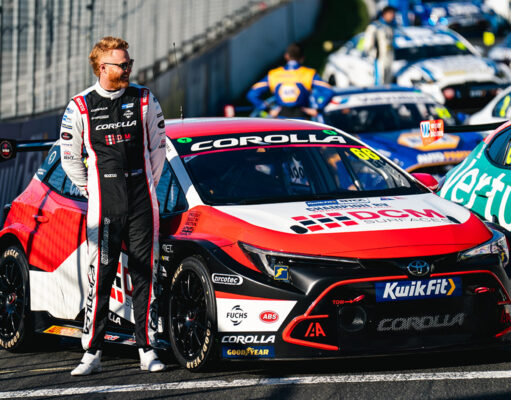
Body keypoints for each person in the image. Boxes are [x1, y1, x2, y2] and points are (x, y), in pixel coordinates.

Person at [60, 36, 166, 375]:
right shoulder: (79, 106)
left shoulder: (145, 100)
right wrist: (91, 189)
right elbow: (69, 159)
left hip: (141, 202)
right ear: (103, 68)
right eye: (123, 65)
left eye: (129, 63)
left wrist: (146, 184)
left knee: (144, 275)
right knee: (101, 278)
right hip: (103, 206)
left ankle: (146, 348)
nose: (129, 68)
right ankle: (91, 352)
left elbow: (158, 151)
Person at [246, 43, 334, 120]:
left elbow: (252, 94)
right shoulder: (308, 73)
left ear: (286, 56)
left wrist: (268, 110)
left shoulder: (274, 74)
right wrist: (318, 109)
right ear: (302, 58)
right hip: (302, 117)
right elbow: (329, 91)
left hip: (280, 117)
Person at [364, 5, 397, 85]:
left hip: (389, 59)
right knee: (380, 82)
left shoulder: (390, 27)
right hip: (379, 59)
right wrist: (373, 55)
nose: (393, 16)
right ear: (385, 14)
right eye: (391, 13)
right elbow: (368, 45)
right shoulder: (375, 26)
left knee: (388, 82)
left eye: (394, 14)